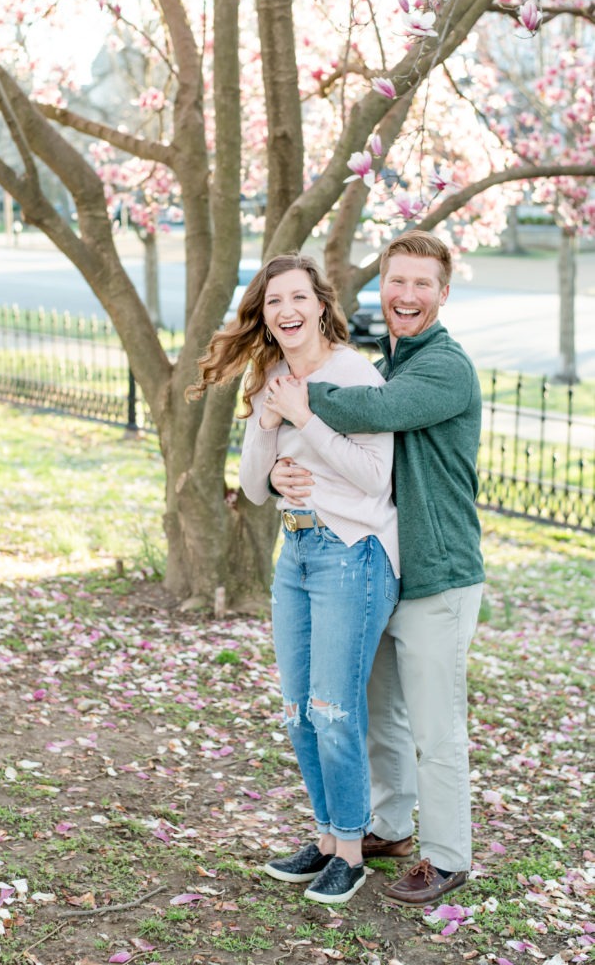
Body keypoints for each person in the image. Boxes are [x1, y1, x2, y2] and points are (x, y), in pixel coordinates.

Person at [270, 230, 485, 907]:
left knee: (433, 724)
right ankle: (387, 829)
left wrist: (303, 396)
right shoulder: (386, 361)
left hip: (439, 575)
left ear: (443, 295)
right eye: (397, 281)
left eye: (423, 284)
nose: (408, 295)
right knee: (377, 715)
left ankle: (447, 856)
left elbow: (381, 412)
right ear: (381, 288)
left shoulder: (442, 368)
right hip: (384, 567)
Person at [187, 253, 400, 905]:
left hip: (354, 552)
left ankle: (353, 851)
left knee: (335, 713)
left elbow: (375, 478)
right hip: (297, 556)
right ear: (265, 311)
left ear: (320, 304)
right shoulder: (272, 375)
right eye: (274, 300)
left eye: (298, 297)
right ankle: (330, 840)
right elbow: (252, 488)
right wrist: (271, 438)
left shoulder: (352, 373)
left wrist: (306, 418)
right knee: (299, 715)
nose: (286, 310)